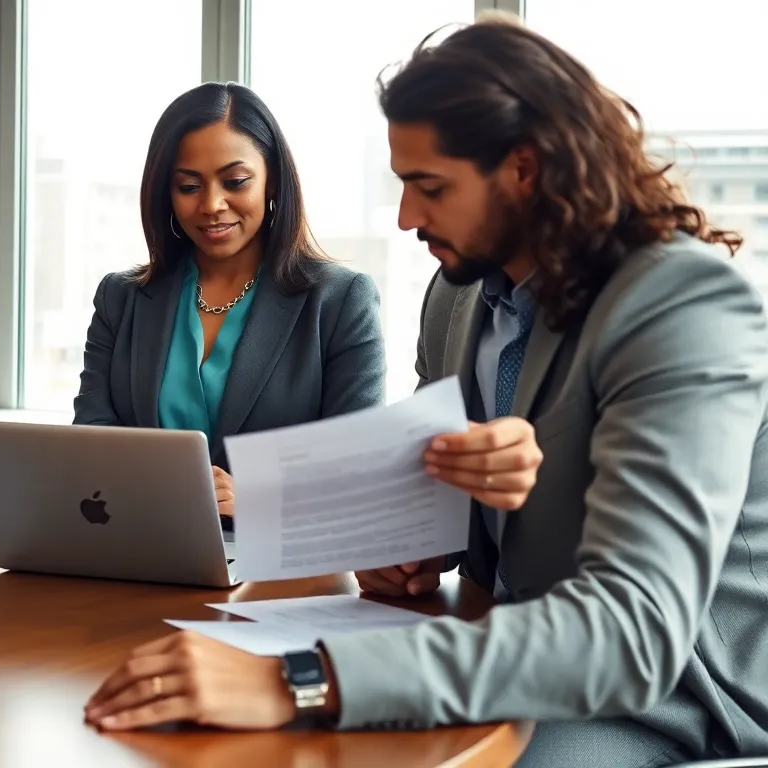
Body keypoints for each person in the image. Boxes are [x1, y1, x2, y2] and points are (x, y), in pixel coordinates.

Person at [84, 15, 768, 768]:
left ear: (525, 171)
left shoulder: (681, 302)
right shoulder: (459, 295)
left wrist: (299, 680)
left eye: (429, 188)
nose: (408, 217)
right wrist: (413, 547)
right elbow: (446, 514)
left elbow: (633, 630)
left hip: (672, 688)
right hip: (499, 635)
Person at [73, 82, 386, 520]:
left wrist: (259, 499)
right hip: (141, 550)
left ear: (272, 178)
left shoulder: (339, 300)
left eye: (235, 181)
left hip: (279, 569)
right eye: (188, 186)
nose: (212, 205)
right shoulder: (120, 298)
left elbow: (360, 470)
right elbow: (91, 438)